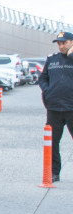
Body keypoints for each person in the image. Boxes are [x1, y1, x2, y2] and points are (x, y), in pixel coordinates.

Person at [38, 30, 73, 182]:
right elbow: (43, 78)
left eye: (64, 43)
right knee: (52, 142)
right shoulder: (52, 59)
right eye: (59, 43)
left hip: (72, 108)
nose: (61, 46)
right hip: (54, 109)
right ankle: (54, 172)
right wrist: (48, 91)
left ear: (71, 43)